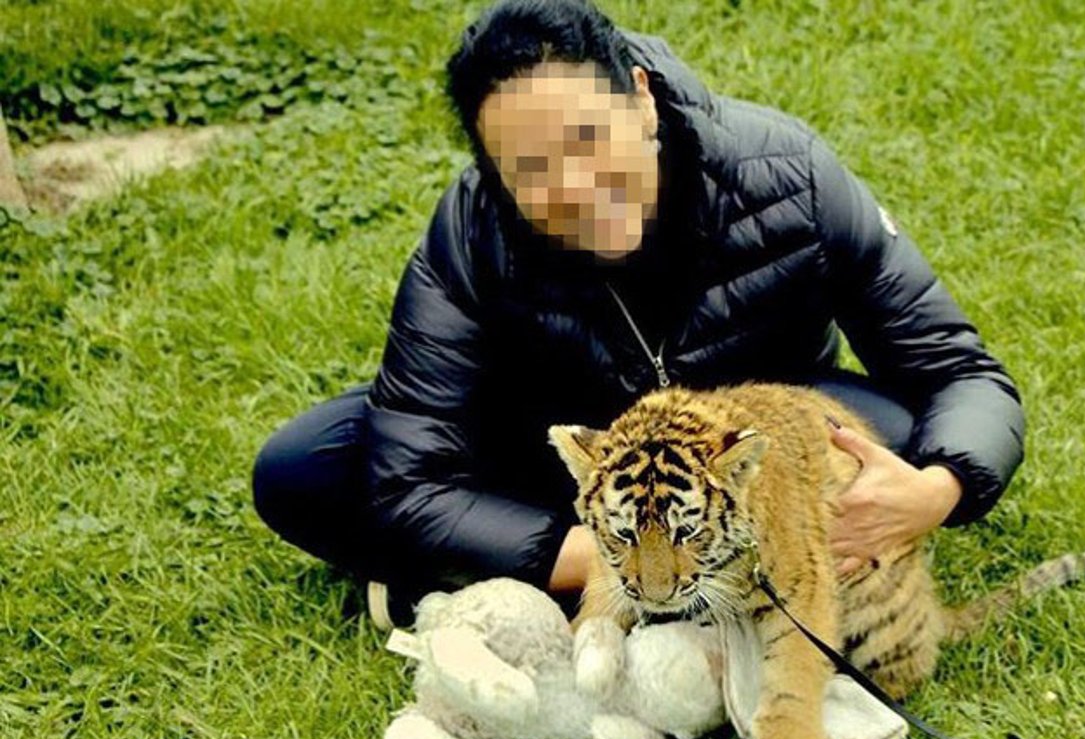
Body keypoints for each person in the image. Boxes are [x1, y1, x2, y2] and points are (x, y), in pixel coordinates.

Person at [251, 0, 1025, 629]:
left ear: (643, 101)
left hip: (746, 450)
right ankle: (646, 588)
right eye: (532, 168)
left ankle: (477, 588)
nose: (578, 185)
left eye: (589, 137)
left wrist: (933, 494)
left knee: (882, 430)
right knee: (304, 467)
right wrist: (608, 559)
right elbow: (408, 479)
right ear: (494, 175)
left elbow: (961, 373)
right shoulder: (468, 234)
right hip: (565, 460)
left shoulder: (788, 174)